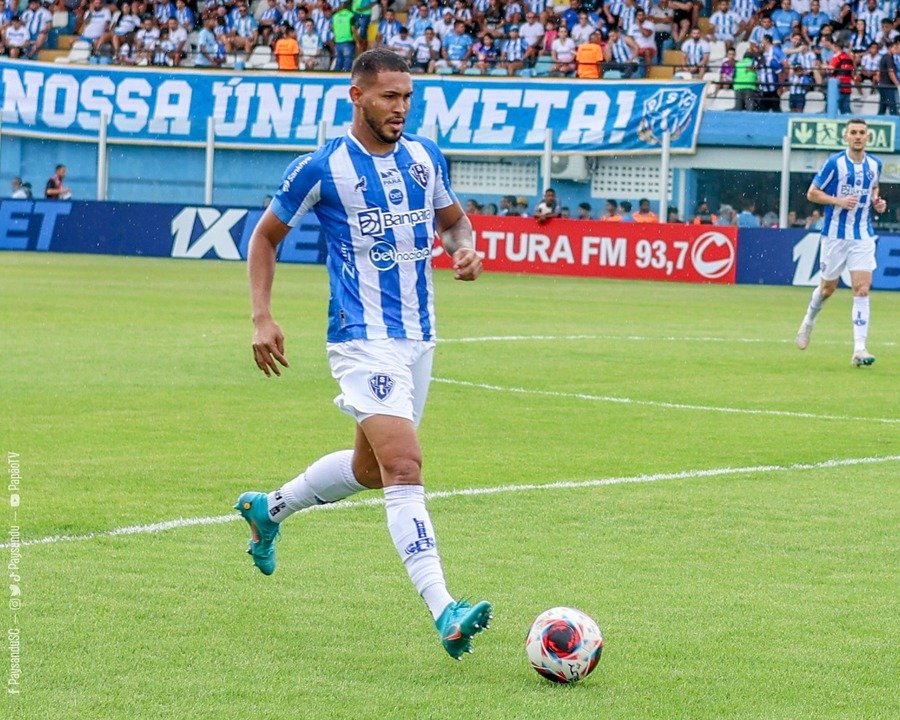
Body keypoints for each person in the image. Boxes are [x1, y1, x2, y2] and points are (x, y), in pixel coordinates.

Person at [237, 48, 493, 661]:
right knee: (404, 466)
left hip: (418, 339)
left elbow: (454, 222)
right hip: (360, 337)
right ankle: (445, 610)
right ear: (357, 96)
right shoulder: (322, 167)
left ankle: (267, 509)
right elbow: (265, 236)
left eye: (406, 96)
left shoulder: (426, 157)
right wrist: (262, 316)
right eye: (388, 97)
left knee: (372, 469)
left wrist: (464, 248)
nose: (400, 108)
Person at [795, 118, 885, 367]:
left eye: (862, 133)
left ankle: (859, 349)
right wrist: (838, 200)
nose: (858, 136)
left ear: (868, 137)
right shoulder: (835, 163)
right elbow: (812, 193)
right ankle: (808, 320)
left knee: (862, 288)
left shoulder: (875, 164)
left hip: (863, 236)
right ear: (846, 137)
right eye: (853, 132)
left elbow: (874, 189)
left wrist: (877, 202)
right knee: (827, 290)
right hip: (835, 235)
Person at [877, 38, 900, 115]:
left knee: (882, 107)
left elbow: (879, 72)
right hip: (887, 86)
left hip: (883, 85)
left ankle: (878, 121)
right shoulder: (889, 58)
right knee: (892, 107)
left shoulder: (884, 57)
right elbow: (891, 73)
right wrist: (898, 85)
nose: (896, 50)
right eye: (895, 48)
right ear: (890, 48)